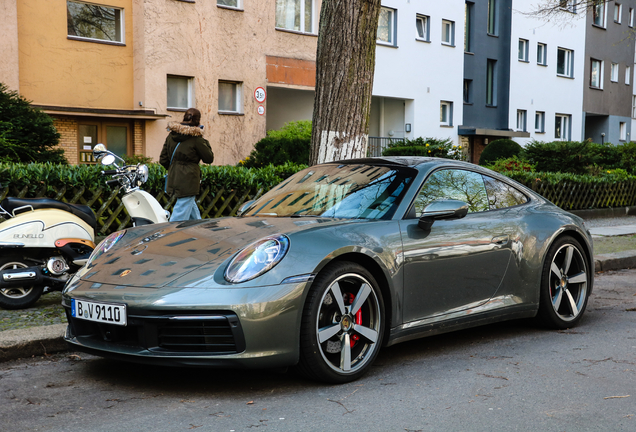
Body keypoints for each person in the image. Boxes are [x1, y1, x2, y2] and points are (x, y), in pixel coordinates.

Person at [160, 108, 214, 222]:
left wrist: (175, 169)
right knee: (180, 213)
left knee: (190, 208)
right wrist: (202, 138)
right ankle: (170, 235)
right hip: (189, 178)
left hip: (173, 176)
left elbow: (163, 159)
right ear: (198, 121)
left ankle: (199, 231)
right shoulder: (196, 139)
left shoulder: (171, 135)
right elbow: (209, 158)